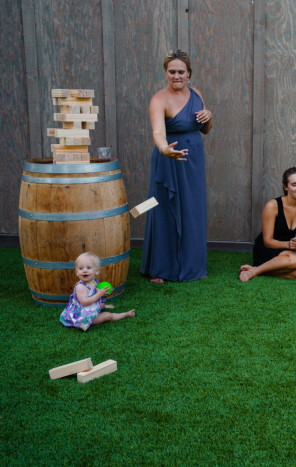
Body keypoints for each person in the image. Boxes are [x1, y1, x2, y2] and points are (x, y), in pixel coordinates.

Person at [141, 49, 213, 284]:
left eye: (181, 71)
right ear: (166, 73)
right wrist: (164, 149)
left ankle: (194, 265)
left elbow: (205, 129)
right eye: (172, 72)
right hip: (168, 159)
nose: (176, 76)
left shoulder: (197, 94)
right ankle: (162, 269)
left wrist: (209, 115)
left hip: (192, 161)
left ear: (189, 73)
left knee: (192, 209)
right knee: (163, 210)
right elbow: (158, 131)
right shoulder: (158, 99)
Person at [239, 167, 296, 281]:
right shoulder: (272, 206)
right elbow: (267, 241)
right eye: (294, 184)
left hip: (288, 253)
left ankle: (260, 269)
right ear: (286, 187)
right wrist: (288, 245)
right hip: (268, 249)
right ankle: (255, 271)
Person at [60, 253, 136, 331]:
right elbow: (84, 303)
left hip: (91, 306)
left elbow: (95, 295)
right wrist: (99, 294)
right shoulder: (80, 287)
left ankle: (104, 306)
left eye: (88, 267)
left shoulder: (95, 281)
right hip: (83, 315)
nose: (84, 270)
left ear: (96, 271)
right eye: (81, 268)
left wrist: (104, 293)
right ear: (77, 272)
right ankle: (125, 314)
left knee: (101, 304)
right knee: (107, 316)